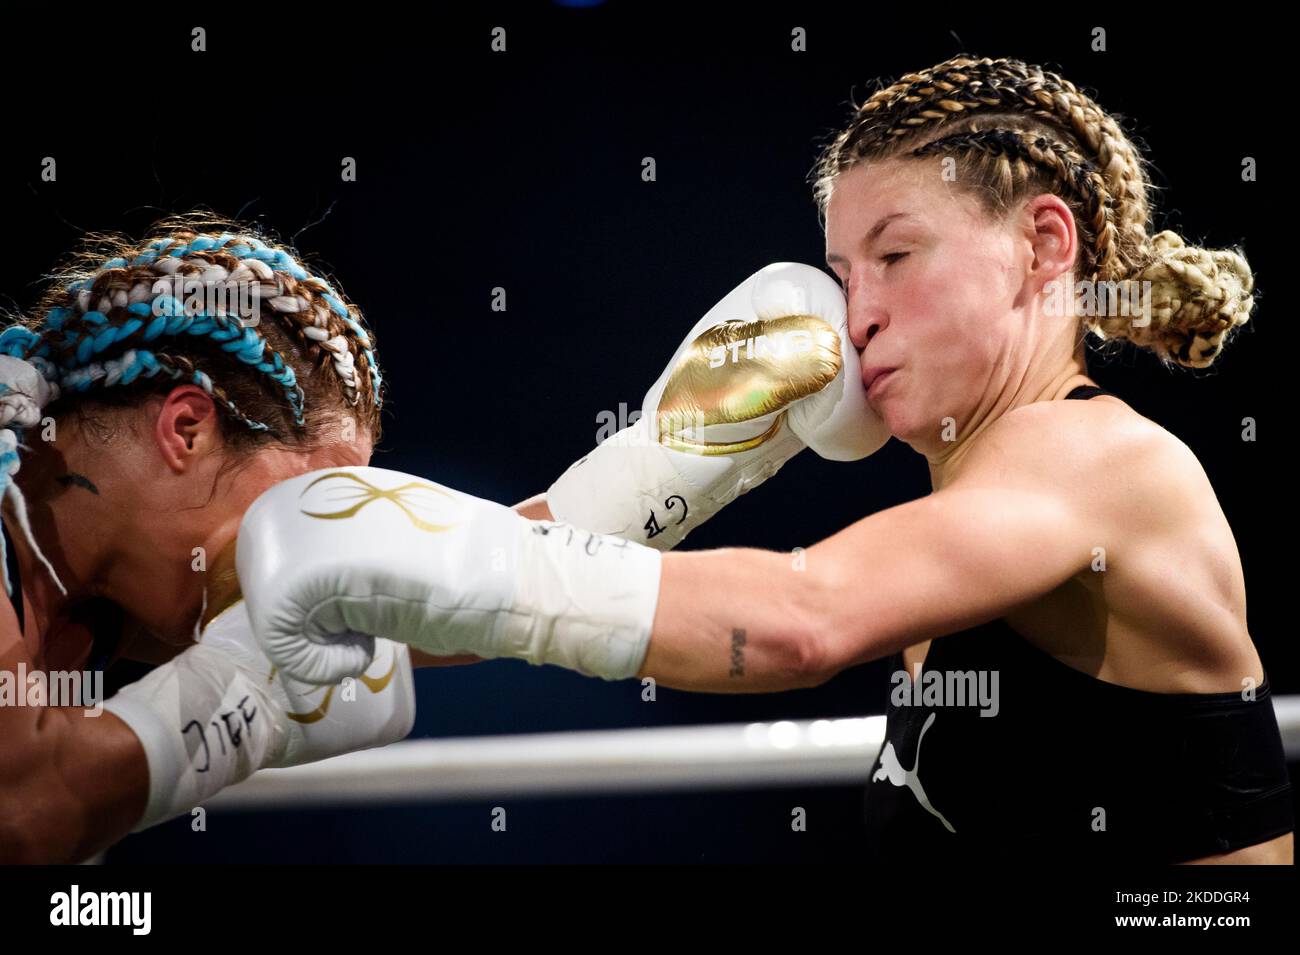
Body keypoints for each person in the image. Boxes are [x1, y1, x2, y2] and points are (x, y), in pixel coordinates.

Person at [238, 56, 1293, 864]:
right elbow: (510, 586)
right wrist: (322, 614)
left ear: (1043, 247)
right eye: (841, 271)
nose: (857, 314)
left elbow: (801, 623)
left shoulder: (1092, 458)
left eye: (895, 254)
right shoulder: (974, 504)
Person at [0, 216, 426, 863]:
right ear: (187, 429)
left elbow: (436, 596)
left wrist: (602, 510)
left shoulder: (92, 583)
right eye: (298, 507)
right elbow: (20, 808)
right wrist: (251, 689)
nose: (305, 552)